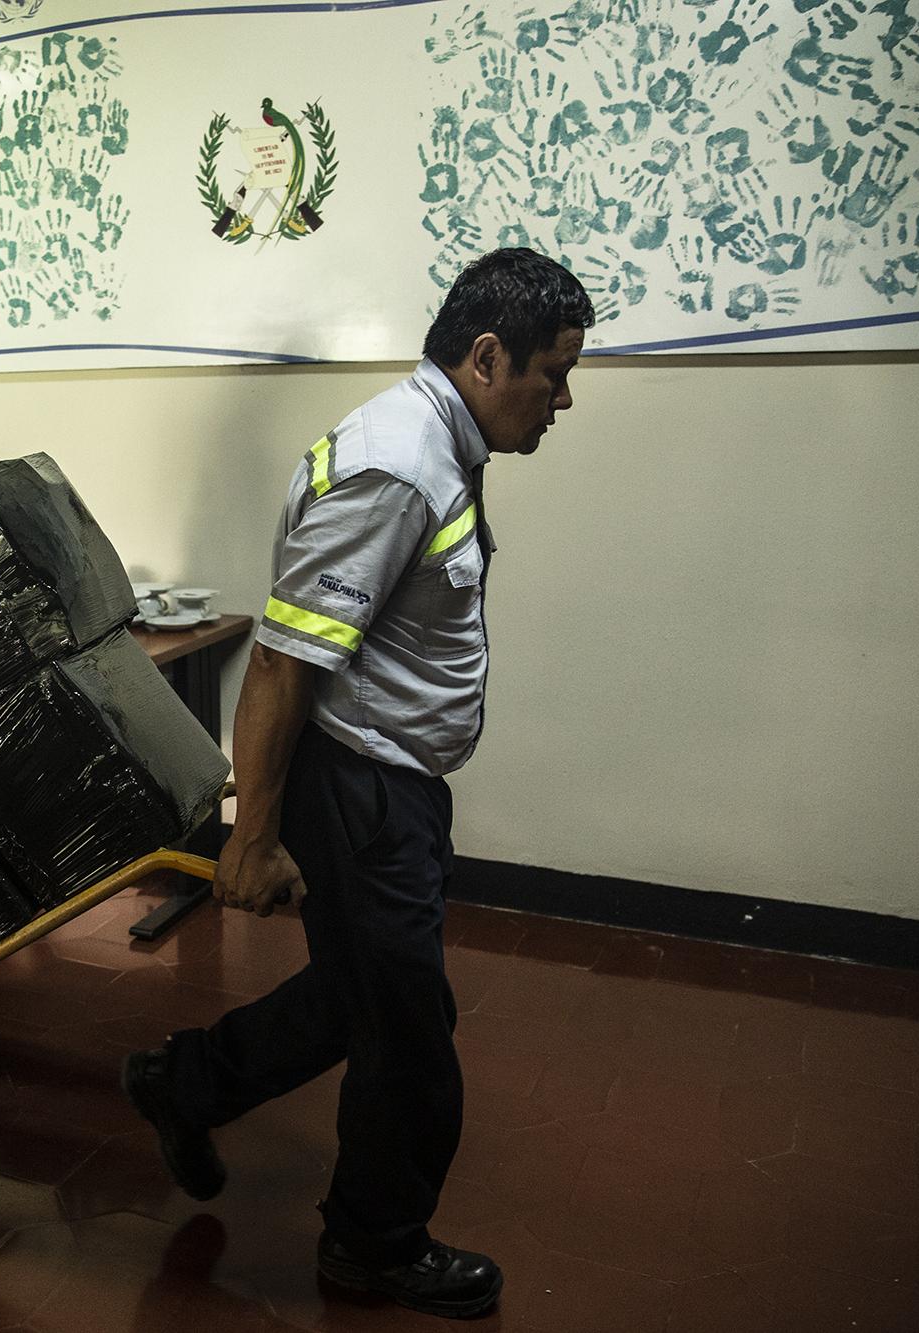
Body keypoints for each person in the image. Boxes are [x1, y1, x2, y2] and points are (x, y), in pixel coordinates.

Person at [122, 249, 594, 1320]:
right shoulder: (400, 465)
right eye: (551, 373)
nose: (562, 399)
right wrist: (252, 834)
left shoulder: (435, 439)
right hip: (361, 787)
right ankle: (373, 1243)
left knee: (359, 996)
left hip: (391, 782)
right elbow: (284, 663)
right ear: (485, 356)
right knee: (408, 1034)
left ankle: (184, 1082)